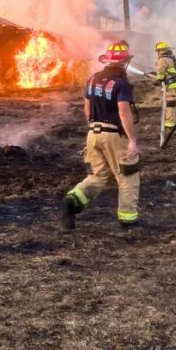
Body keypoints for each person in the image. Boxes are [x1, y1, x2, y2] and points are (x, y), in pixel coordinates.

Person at [63, 41, 140, 230]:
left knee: (98, 175)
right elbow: (124, 112)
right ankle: (128, 219)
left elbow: (87, 107)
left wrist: (93, 128)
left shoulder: (92, 79)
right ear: (124, 62)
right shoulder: (122, 83)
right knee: (127, 175)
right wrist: (132, 140)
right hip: (113, 134)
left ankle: (73, 200)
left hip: (93, 133)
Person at [154, 41, 176, 129]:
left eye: (158, 51)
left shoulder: (162, 60)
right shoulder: (172, 58)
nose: (158, 53)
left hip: (171, 86)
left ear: (161, 51)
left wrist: (159, 79)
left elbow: (160, 74)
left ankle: (170, 124)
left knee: (170, 105)